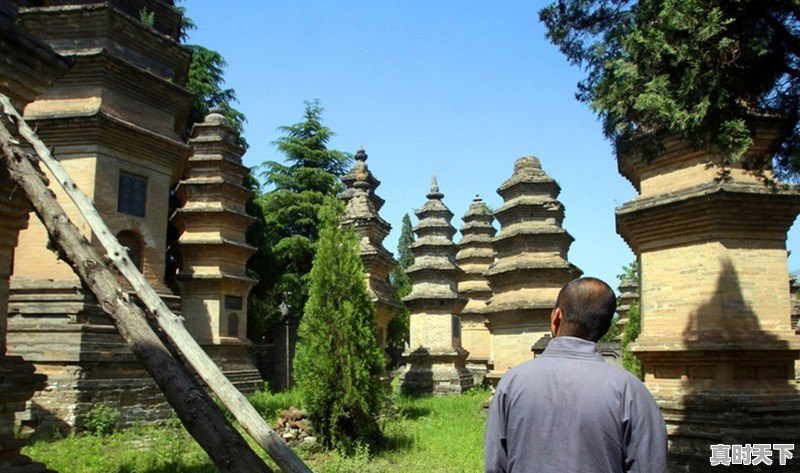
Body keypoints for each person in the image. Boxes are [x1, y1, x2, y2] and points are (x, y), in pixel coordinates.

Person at [484, 277, 667, 473]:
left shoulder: (512, 383)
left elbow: (496, 465)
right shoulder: (631, 391)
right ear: (605, 329)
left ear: (557, 317)